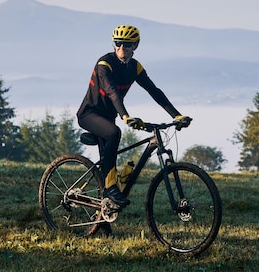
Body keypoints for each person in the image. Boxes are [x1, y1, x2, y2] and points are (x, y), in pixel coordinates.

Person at [77, 25, 191, 208]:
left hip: (109, 117)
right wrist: (125, 116)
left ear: (135, 46)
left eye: (127, 44)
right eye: (118, 43)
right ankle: (110, 188)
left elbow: (154, 91)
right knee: (114, 133)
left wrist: (177, 115)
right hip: (89, 115)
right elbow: (112, 92)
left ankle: (104, 215)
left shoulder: (135, 67)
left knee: (109, 153)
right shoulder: (104, 64)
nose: (121, 48)